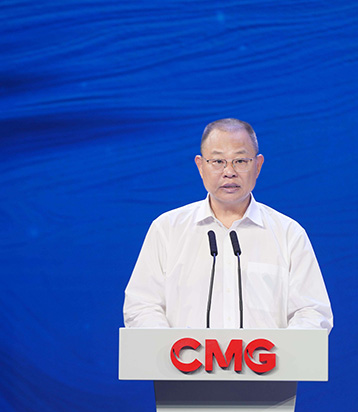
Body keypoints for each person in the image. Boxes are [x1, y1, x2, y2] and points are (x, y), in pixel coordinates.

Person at [123, 118, 332, 331]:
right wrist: (174, 348)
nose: (229, 171)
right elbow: (141, 306)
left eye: (240, 161)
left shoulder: (288, 234)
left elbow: (312, 313)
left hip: (269, 354)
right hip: (184, 354)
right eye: (218, 161)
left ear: (258, 166)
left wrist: (276, 350)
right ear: (200, 166)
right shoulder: (167, 229)